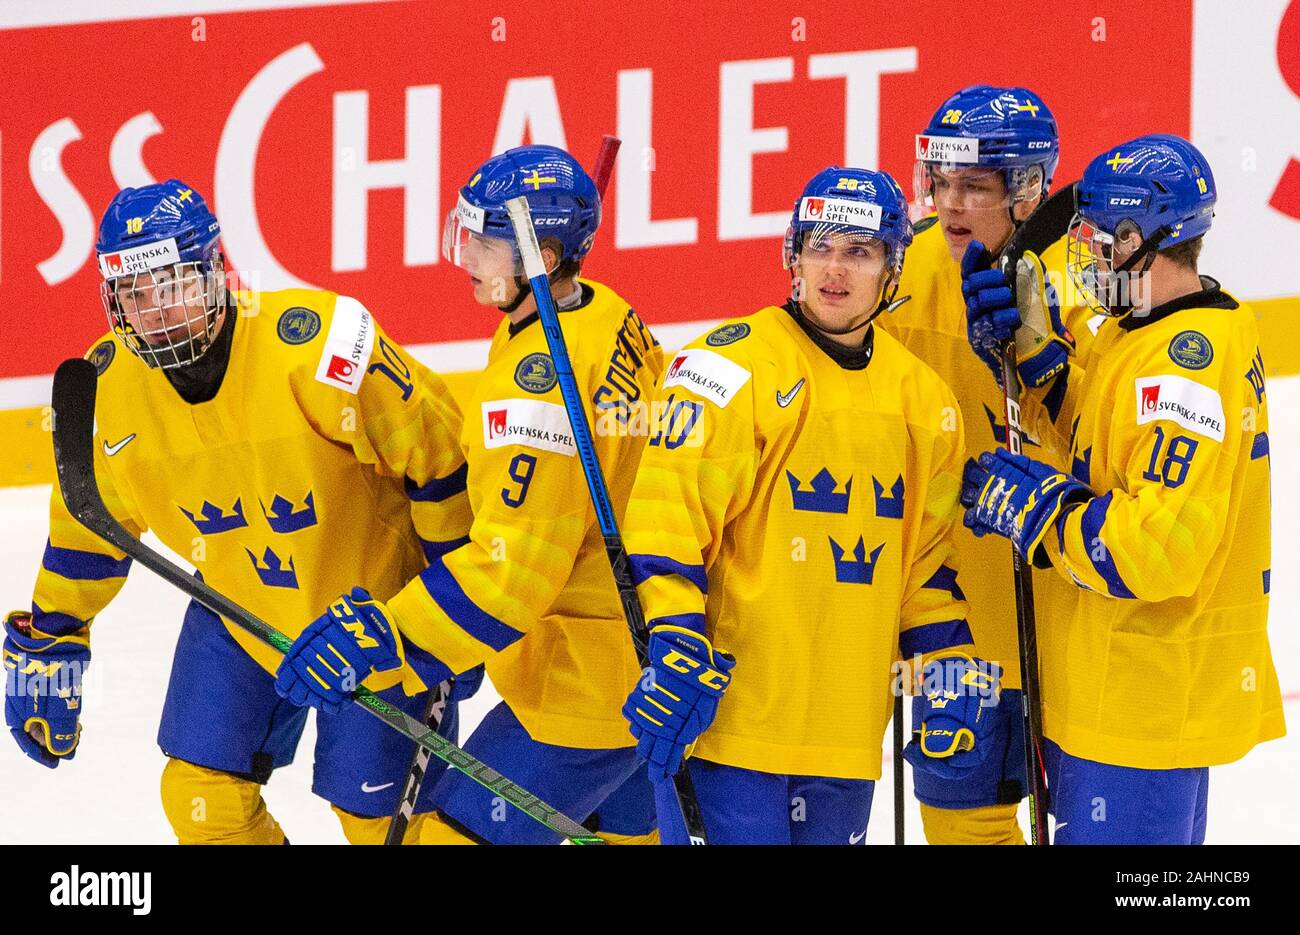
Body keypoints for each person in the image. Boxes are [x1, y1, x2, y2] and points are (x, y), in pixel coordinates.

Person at [2, 180, 475, 844]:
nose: (157, 311)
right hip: (240, 615)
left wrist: (451, 609)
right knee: (200, 798)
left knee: (378, 824)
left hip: (375, 619)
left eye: (173, 286)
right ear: (114, 301)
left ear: (216, 271)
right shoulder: (108, 391)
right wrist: (52, 635)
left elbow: (439, 459)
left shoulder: (319, 346)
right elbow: (89, 527)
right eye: (137, 295)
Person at [274, 145, 665, 845]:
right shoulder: (608, 313)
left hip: (582, 686)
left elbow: (513, 572)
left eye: (486, 242)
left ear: (542, 256)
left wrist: (388, 636)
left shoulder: (538, 386)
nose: (469, 258)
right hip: (645, 664)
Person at [614, 166, 1001, 844]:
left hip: (845, 739)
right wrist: (674, 645)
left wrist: (948, 675)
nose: (834, 269)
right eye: (818, 246)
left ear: (892, 267)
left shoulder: (926, 402)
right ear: (791, 255)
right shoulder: (727, 370)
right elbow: (664, 522)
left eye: (860, 251)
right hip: (727, 725)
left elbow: (926, 571)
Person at [961, 134, 1285, 843]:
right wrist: (1038, 352)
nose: (1085, 255)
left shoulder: (1183, 368)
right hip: (1119, 690)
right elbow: (1107, 438)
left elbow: (1154, 552)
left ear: (1145, 238)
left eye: (1100, 238)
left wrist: (1041, 511)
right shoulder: (1155, 329)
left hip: (1138, 704)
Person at [880, 84, 1081, 844]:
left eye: (975, 186)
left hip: (1068, 614)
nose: (950, 202)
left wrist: (1035, 357)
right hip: (950, 618)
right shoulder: (898, 273)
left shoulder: (1088, 276)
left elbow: (1104, 441)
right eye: (940, 181)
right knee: (962, 822)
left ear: (1027, 189)